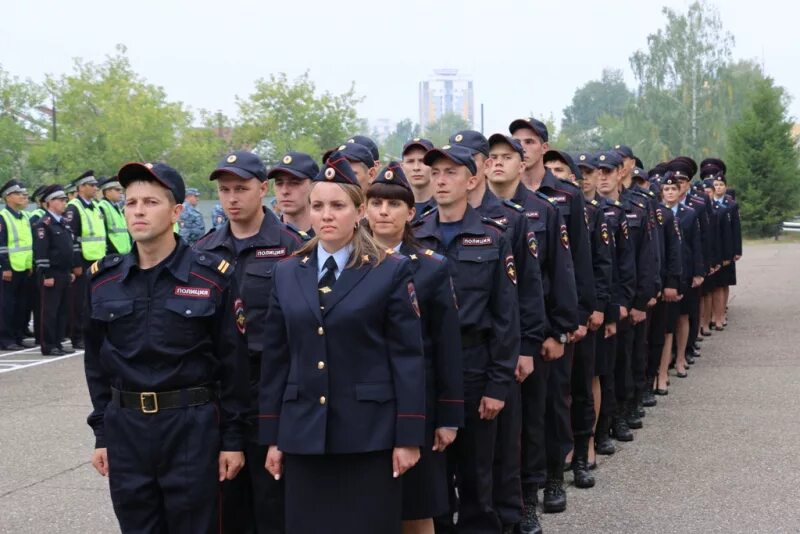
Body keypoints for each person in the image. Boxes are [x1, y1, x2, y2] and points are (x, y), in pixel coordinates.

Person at [259, 152, 425, 534]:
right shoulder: (286, 273)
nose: (326, 215)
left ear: (360, 210)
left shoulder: (389, 270)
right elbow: (277, 360)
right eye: (318, 206)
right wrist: (273, 437)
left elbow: (408, 358)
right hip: (303, 434)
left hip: (368, 434)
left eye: (338, 205)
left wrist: (408, 436)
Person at [84, 161, 249, 533]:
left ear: (176, 212)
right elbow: (96, 365)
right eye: (131, 202)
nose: (138, 211)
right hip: (127, 429)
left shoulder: (211, 277)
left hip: (191, 427)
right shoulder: (103, 281)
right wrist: (102, 434)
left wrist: (232, 441)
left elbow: (233, 364)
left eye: (151, 202)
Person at [195, 150, 306, 534]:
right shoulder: (203, 251)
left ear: (263, 189)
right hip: (222, 390)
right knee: (227, 500)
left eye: (241, 188)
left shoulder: (294, 247)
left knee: (274, 500)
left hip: (270, 386)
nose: (231, 198)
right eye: (225, 190)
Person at [414, 144, 520, 533]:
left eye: (450, 173)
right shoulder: (415, 236)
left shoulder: (493, 237)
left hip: (475, 364)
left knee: (477, 475)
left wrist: (498, 383)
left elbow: (506, 316)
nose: (440, 180)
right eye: (436, 172)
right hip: (427, 370)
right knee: (433, 475)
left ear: (471, 180)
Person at [485, 135, 578, 533]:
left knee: (538, 416)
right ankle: (501, 498)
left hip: (534, 332)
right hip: (493, 336)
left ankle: (538, 488)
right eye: (493, 158)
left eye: (508, 157)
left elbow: (560, 273)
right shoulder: (478, 214)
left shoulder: (544, 210)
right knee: (500, 426)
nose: (499, 164)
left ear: (522, 165)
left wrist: (558, 329)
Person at [366, 161, 464, 534]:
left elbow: (446, 345)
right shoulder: (346, 264)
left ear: (411, 213)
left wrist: (448, 415)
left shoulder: (431, 268)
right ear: (365, 209)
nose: (384, 212)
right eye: (376, 203)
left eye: (394, 205)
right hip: (363, 405)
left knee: (417, 506)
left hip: (414, 405)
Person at [457, 131, 546, 531]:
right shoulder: (428, 221)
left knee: (504, 444)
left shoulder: (510, 218)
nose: (492, 163)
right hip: (458, 354)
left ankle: (513, 513)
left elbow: (525, 290)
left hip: (501, 347)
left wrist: (526, 345)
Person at [511, 118, 595, 514]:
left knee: (554, 403)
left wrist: (572, 318)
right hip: (514, 324)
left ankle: (554, 479)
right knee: (522, 412)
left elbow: (576, 260)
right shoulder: (501, 199)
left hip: (550, 320)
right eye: (516, 142)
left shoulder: (564, 196)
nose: (522, 147)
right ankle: (525, 488)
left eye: (529, 141)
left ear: (543, 147)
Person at [545, 149, 613, 491]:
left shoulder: (588, 212)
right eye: (550, 168)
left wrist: (594, 309)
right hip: (552, 314)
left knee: (581, 387)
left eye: (561, 169)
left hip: (582, 314)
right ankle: (556, 458)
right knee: (555, 394)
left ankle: (584, 452)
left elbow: (596, 265)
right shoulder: (537, 207)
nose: (554, 173)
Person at [594, 152, 637, 456]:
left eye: (608, 171)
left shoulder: (622, 211)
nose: (603, 177)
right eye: (597, 172)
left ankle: (616, 416)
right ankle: (599, 426)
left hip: (615, 302)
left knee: (616, 364)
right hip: (596, 302)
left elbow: (626, 262)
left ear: (619, 173)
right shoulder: (588, 210)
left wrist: (623, 300)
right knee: (598, 371)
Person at [64, 170, 106, 349]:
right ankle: (77, 335)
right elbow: (71, 237)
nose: (96, 188)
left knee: (94, 299)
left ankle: (90, 332)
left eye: (96, 185)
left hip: (97, 258)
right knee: (79, 301)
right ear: (81, 187)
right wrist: (76, 263)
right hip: (83, 260)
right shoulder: (74, 207)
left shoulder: (95, 206)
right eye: (92, 185)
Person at [32, 185, 76, 356]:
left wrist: (71, 270)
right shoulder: (43, 224)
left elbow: (68, 248)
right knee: (49, 311)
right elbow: (41, 252)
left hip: (64, 272)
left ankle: (58, 341)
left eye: (65, 199)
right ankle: (48, 344)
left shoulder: (63, 223)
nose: (64, 203)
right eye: (60, 200)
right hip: (52, 273)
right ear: (49, 202)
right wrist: (46, 274)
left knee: (62, 310)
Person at [0, 179, 35, 349]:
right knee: (7, 306)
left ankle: (18, 336)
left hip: (23, 268)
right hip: (10, 269)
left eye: (22, 194)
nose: (22, 196)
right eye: (18, 194)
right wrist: (5, 267)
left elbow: (27, 244)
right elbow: (2, 245)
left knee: (21, 305)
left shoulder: (23, 216)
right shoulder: (3, 217)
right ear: (8, 197)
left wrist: (29, 264)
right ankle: (6, 340)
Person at [269, 151, 318, 239]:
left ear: (314, 186)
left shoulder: (329, 239)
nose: (284, 191)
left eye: (295, 183)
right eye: (279, 183)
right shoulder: (265, 238)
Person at [401, 138, 437, 220]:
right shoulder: (396, 206)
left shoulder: (444, 206)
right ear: (402, 167)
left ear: (434, 166)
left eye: (422, 161)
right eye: (410, 161)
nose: (416, 168)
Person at [97, 176, 132, 255]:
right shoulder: (102, 207)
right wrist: (111, 251)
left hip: (125, 252)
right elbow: (103, 232)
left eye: (120, 190)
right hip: (113, 253)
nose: (120, 192)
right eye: (117, 190)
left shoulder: (117, 208)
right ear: (107, 191)